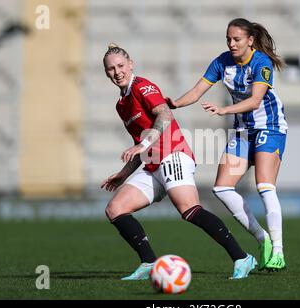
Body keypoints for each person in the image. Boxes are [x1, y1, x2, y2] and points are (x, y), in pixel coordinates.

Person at [100, 43, 257, 280]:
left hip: (173, 155)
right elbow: (141, 143)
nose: (117, 72)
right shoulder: (121, 104)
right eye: (111, 69)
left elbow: (165, 114)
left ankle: (242, 258)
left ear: (131, 64)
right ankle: (149, 263)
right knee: (115, 209)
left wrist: (142, 146)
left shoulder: (143, 86)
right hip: (153, 164)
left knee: (189, 210)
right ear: (106, 73)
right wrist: (124, 173)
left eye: (121, 65)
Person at [166, 18, 288, 271]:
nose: (231, 44)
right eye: (228, 39)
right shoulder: (222, 61)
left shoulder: (261, 62)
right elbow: (198, 90)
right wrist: (174, 104)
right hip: (243, 132)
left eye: (236, 39)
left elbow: (255, 101)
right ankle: (261, 237)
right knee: (222, 188)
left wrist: (223, 110)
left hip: (269, 128)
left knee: (264, 186)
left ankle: (278, 249)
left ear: (250, 40)